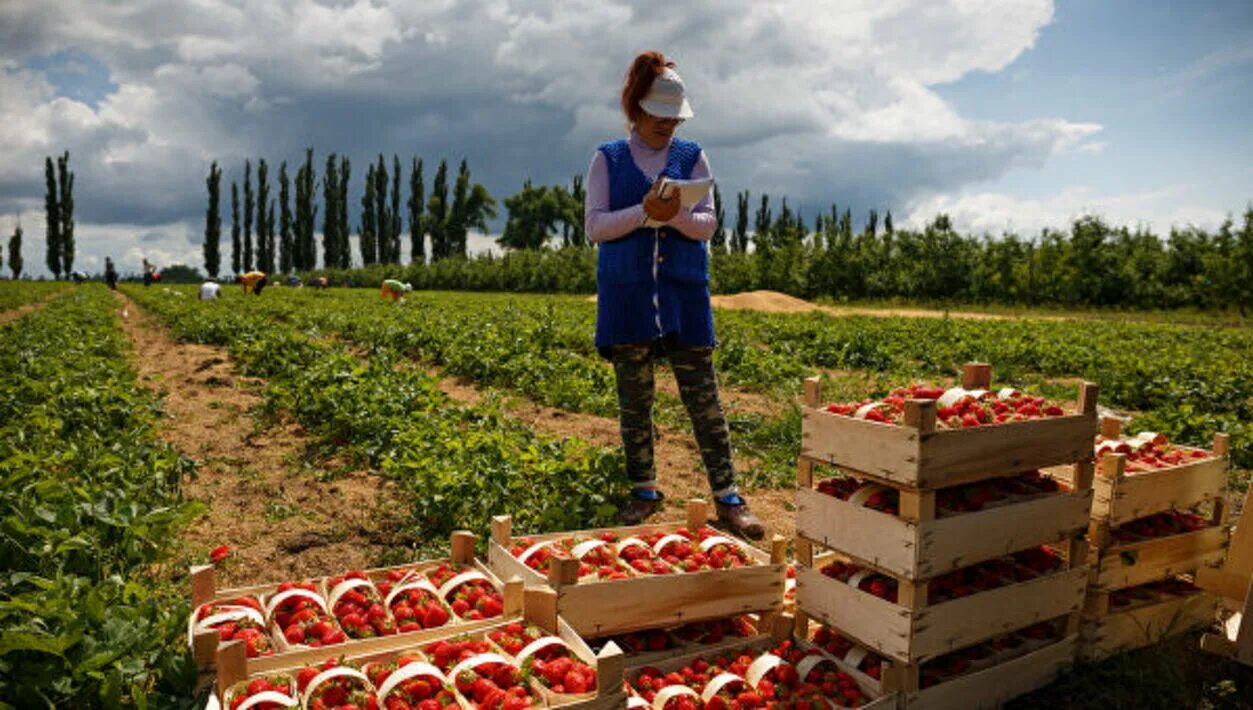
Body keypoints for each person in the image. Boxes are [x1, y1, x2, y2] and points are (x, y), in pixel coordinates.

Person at [583, 50, 764, 539]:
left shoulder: (691, 157)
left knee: (704, 400)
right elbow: (595, 227)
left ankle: (728, 498)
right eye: (660, 117)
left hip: (683, 295)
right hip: (628, 296)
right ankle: (643, 490)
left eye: (674, 118)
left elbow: (707, 226)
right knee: (634, 402)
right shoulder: (609, 158)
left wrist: (673, 215)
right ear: (637, 110)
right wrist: (643, 214)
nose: (667, 126)